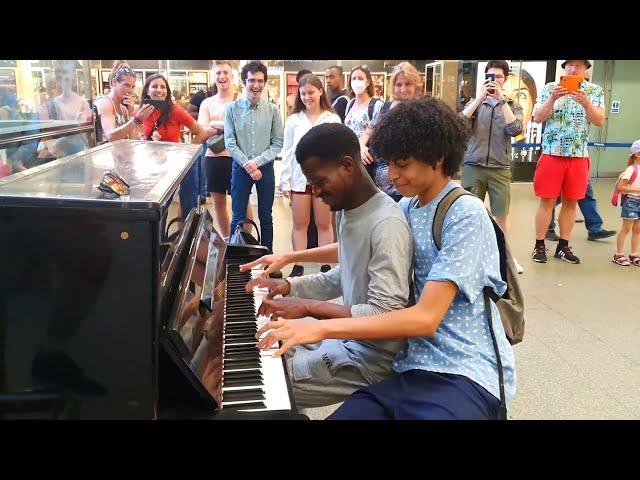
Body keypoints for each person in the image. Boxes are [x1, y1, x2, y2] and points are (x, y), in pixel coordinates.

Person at [254, 97, 516, 420]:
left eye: (401, 164)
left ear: (437, 157)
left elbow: (425, 318)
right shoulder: (408, 206)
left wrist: (319, 325)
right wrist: (292, 261)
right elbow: (361, 253)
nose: (391, 174)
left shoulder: (465, 213)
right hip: (410, 363)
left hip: (463, 369)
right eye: (389, 163)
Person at [241, 122, 413, 409]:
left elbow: (385, 315)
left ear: (347, 165)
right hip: (348, 338)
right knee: (260, 345)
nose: (316, 192)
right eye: (311, 184)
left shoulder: (387, 223)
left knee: (263, 384)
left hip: (371, 359)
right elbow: (343, 275)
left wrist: (309, 308)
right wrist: (288, 286)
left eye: (320, 182)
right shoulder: (347, 209)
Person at [531, 60, 605, 264]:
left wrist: (587, 103)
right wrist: (553, 99)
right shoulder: (549, 88)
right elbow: (537, 118)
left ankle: (563, 246)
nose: (573, 69)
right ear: (563, 68)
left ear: (585, 69)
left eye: (578, 65)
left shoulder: (594, 90)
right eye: (569, 65)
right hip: (551, 153)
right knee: (546, 201)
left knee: (572, 202)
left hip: (578, 154)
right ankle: (539, 245)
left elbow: (599, 120)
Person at [459, 60, 525, 274]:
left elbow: (515, 129)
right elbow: (459, 124)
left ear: (505, 80)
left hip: (500, 167)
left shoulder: (512, 104)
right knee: (470, 214)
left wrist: (502, 101)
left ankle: (505, 260)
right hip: (473, 165)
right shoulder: (474, 102)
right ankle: (468, 257)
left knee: (501, 216)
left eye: (498, 77)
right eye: (490, 76)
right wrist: (480, 98)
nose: (494, 81)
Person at [279, 74, 341, 277]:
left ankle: (326, 266)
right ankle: (299, 264)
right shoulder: (293, 120)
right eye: (303, 93)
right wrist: (284, 181)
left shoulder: (332, 118)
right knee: (300, 224)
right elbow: (287, 152)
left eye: (311, 92)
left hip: (325, 179)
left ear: (321, 91)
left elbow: (338, 152)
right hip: (299, 180)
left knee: (324, 224)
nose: (307, 97)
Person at [224, 61, 283, 253]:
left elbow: (277, 143)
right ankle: (235, 260)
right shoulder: (232, 109)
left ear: (265, 82)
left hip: (265, 168)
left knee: (266, 216)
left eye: (259, 81)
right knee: (238, 216)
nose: (255, 85)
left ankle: (268, 260)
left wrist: (256, 163)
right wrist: (247, 164)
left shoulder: (273, 111)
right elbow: (230, 142)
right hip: (239, 168)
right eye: (251, 80)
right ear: (244, 81)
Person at [197, 61, 253, 238]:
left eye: (225, 73)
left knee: (242, 201)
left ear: (232, 76)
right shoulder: (207, 103)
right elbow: (202, 131)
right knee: (218, 202)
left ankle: (244, 240)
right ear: (214, 77)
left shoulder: (242, 101)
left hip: (238, 158)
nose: (222, 77)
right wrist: (228, 126)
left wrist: (216, 124)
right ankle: (228, 241)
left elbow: (245, 129)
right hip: (213, 158)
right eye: (218, 73)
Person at [139, 73, 207, 217]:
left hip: (175, 164)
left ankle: (186, 236)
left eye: (163, 87)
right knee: (156, 209)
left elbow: (201, 132)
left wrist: (188, 153)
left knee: (188, 204)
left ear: (167, 91)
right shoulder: (142, 111)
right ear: (147, 90)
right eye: (155, 86)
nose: (159, 90)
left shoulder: (175, 110)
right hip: (151, 166)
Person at [360, 62, 422, 201]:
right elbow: (368, 131)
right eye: (399, 84)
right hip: (380, 185)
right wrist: (362, 146)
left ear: (415, 85)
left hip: (408, 184)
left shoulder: (422, 111)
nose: (403, 89)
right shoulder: (384, 107)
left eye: (408, 84)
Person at [38, 60, 94, 158]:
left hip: (81, 157)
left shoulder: (82, 103)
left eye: (66, 73)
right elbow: (48, 142)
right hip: (62, 161)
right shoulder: (47, 107)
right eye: (60, 75)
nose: (64, 78)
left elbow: (89, 138)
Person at [94, 62, 155, 143]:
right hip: (104, 154)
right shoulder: (105, 102)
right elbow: (110, 137)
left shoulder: (124, 109)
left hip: (118, 154)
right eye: (126, 85)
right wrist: (136, 120)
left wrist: (131, 114)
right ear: (114, 82)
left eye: (132, 87)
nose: (130, 91)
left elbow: (132, 140)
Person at [343, 65, 383, 179]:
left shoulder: (376, 105)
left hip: (367, 159)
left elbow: (376, 129)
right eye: (353, 78)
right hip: (350, 157)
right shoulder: (349, 104)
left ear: (368, 82)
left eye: (360, 78)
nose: (356, 81)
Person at [612, 140, 640, 266]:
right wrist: (637, 190)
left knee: (638, 230)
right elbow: (621, 187)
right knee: (626, 228)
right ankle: (618, 254)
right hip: (631, 202)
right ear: (637, 154)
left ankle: (634, 254)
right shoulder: (631, 169)